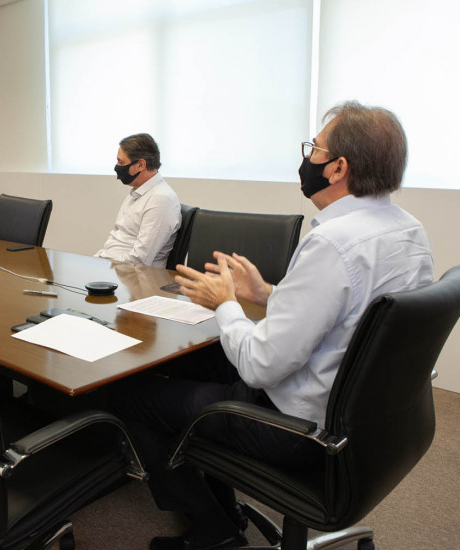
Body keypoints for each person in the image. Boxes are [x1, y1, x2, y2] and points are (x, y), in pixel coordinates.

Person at [110, 101, 434, 550]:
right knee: (188, 372)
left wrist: (225, 304)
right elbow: (351, 314)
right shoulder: (408, 231)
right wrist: (265, 295)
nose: (307, 159)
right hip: (362, 421)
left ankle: (213, 529)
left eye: (314, 150)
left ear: (339, 167)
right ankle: (222, 506)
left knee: (132, 395)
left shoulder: (333, 243)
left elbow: (260, 368)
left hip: (296, 428)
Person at [95, 133, 181, 267]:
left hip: (134, 278)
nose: (117, 166)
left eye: (121, 162)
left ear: (141, 164)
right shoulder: (136, 193)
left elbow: (140, 259)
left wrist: (106, 266)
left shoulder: (161, 200)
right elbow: (116, 240)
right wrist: (95, 262)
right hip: (114, 268)